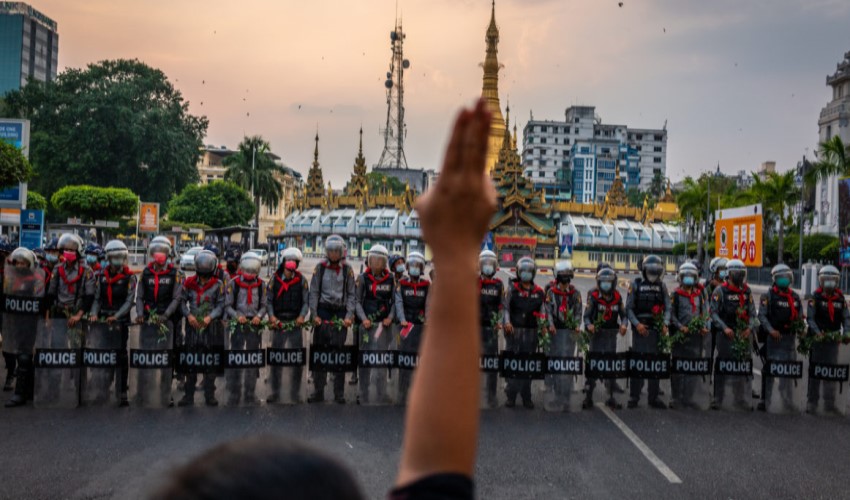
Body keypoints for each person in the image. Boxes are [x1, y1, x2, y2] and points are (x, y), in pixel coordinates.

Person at [156, 98, 494, 500]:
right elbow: (438, 475)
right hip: (305, 319)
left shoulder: (342, 274)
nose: (333, 255)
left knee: (338, 359)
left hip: (345, 320)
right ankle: (288, 388)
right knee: (300, 358)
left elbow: (340, 297)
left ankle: (329, 388)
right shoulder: (319, 275)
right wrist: (457, 254)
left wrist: (356, 314)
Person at [307, 235, 355, 404]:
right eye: (331, 250)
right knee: (320, 352)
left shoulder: (347, 269)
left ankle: (339, 392)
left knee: (339, 353)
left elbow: (351, 295)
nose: (333, 254)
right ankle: (318, 390)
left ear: (341, 251)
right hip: (323, 312)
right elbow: (313, 292)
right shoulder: (319, 268)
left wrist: (349, 316)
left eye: (336, 250)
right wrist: (314, 315)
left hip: (340, 314)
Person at [89, 240, 137, 406]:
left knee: (121, 355)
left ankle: (122, 390)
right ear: (108, 258)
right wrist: (94, 314)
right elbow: (97, 299)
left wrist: (116, 316)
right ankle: (103, 389)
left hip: (120, 321)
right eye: (115, 256)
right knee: (104, 355)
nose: (118, 259)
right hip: (103, 321)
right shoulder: (100, 276)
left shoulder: (130, 277)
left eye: (121, 257)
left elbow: (130, 301)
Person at [178, 250, 225, 407]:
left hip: (210, 328)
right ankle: (188, 395)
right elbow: (182, 302)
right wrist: (189, 316)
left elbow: (220, 305)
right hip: (192, 328)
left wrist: (209, 317)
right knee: (191, 361)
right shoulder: (189, 283)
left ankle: (209, 395)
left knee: (209, 361)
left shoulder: (218, 285)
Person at [709, 258, 757, 410]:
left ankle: (741, 398)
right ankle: (718, 398)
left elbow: (752, 313)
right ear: (728, 274)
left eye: (741, 273)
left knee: (742, 366)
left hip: (743, 334)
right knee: (723, 365)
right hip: (725, 335)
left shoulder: (747, 291)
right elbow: (714, 314)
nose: (738, 276)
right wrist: (724, 328)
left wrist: (749, 328)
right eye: (735, 273)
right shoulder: (720, 291)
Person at [626, 254, 671, 409]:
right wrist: (637, 324)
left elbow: (668, 308)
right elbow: (629, 309)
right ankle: (634, 396)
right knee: (638, 362)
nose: (654, 274)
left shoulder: (662, 286)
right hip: (640, 330)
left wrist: (665, 323)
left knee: (655, 364)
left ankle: (653, 397)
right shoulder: (636, 285)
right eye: (651, 270)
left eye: (656, 271)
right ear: (644, 270)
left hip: (656, 330)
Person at [4, 248, 46, 407]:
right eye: (18, 263)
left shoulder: (36, 278)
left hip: (32, 322)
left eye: (23, 263)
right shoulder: (10, 278)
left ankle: (21, 393)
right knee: (20, 356)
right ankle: (27, 390)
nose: (20, 265)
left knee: (25, 356)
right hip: (16, 322)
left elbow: (39, 299)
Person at [756, 263, 802, 412]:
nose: (784, 279)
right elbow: (762, 316)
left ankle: (787, 399)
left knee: (788, 371)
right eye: (781, 277)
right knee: (769, 369)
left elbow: (800, 316)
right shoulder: (767, 296)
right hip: (773, 339)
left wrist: (800, 328)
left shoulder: (794, 297)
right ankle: (765, 399)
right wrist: (771, 330)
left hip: (788, 340)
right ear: (775, 279)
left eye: (786, 277)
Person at [805, 265, 850, 414]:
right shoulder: (815, 297)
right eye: (826, 279)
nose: (829, 282)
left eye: (832, 280)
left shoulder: (840, 299)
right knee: (816, 370)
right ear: (821, 280)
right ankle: (812, 401)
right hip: (818, 341)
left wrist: (847, 334)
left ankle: (829, 402)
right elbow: (810, 319)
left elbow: (846, 319)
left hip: (833, 342)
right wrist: (818, 333)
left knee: (831, 371)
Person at [266, 247, 309, 404]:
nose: (291, 270)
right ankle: (275, 392)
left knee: (296, 359)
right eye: (288, 266)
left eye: (294, 266)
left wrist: (302, 316)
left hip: (295, 324)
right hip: (278, 324)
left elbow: (306, 302)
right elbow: (268, 300)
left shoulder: (302, 280)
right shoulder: (274, 280)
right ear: (283, 264)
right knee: (276, 359)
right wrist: (271, 316)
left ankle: (295, 392)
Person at [354, 244, 396, 404]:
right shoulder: (363, 278)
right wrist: (363, 318)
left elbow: (394, 302)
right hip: (367, 326)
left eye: (380, 260)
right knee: (365, 359)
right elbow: (357, 301)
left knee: (381, 360)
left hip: (383, 327)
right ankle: (362, 392)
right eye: (374, 260)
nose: (377, 263)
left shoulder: (391, 279)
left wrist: (390, 317)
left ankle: (381, 392)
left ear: (384, 262)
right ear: (369, 260)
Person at [582, 266, 628, 409]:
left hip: (611, 338)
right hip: (596, 338)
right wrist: (589, 325)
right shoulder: (594, 297)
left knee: (610, 367)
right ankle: (588, 397)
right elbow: (586, 316)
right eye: (603, 282)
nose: (605, 284)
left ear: (613, 283)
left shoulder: (617, 297)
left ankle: (611, 397)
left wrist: (624, 325)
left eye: (608, 282)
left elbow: (624, 315)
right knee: (593, 367)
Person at [502, 256, 545, 409]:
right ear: (519, 272)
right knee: (513, 366)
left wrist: (544, 325)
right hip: (514, 336)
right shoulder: (512, 290)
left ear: (533, 273)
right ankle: (511, 395)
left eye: (529, 271)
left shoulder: (539, 292)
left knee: (528, 367)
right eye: (523, 271)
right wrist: (507, 322)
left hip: (531, 336)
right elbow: (506, 308)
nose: (526, 273)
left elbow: (543, 311)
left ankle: (527, 396)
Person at [225, 252, 266, 405]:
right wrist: (236, 316)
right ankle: (234, 393)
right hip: (238, 325)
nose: (249, 274)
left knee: (252, 360)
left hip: (254, 325)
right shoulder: (233, 283)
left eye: (252, 271)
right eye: (247, 270)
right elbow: (227, 305)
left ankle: (250, 393)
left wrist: (259, 316)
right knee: (237, 359)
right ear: (242, 268)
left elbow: (264, 305)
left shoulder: (262, 285)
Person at [668, 262, 710, 410]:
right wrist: (680, 327)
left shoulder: (700, 294)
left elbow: (704, 313)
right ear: (680, 277)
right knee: (678, 367)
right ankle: (676, 397)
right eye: (685, 276)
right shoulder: (675, 294)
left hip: (696, 337)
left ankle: (689, 397)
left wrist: (704, 326)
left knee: (693, 368)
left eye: (691, 276)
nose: (688, 279)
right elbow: (671, 315)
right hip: (680, 336)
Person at [544, 259, 582, 410]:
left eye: (568, 276)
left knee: (567, 365)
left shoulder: (575, 294)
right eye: (562, 276)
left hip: (569, 335)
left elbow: (579, 312)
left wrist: (577, 326)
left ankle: (565, 398)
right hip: (555, 334)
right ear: (557, 277)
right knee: (555, 365)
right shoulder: (551, 293)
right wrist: (551, 326)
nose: (565, 280)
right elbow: (548, 312)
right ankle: (557, 396)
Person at [395, 251, 431, 404]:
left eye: (418, 266)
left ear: (422, 268)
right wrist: (402, 320)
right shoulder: (401, 284)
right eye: (412, 265)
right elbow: (399, 303)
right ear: (408, 267)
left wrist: (428, 321)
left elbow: (428, 304)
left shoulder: (426, 285)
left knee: (419, 362)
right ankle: (402, 392)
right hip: (405, 328)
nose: (415, 268)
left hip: (420, 329)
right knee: (404, 360)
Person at [478, 249, 503, 408]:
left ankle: (491, 394)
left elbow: (501, 305)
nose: (487, 267)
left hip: (492, 328)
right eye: (485, 264)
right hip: (476, 328)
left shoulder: (498, 284)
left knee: (491, 362)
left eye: (490, 264)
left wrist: (499, 321)